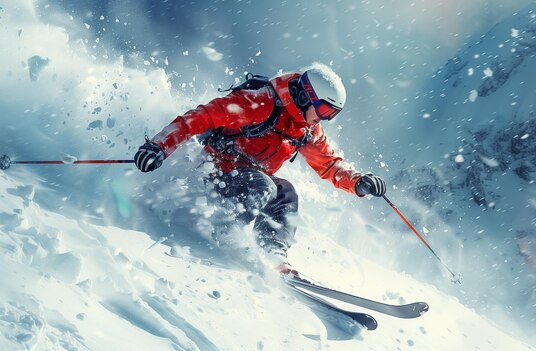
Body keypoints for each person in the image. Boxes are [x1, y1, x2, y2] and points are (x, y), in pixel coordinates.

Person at [134, 63, 386, 271]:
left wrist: (357, 181)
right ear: (304, 95)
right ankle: (221, 231)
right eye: (323, 109)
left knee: (286, 192)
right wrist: (159, 147)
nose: (324, 117)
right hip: (215, 171)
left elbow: (329, 165)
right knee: (263, 186)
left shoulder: (306, 129)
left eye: (332, 113)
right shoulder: (259, 103)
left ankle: (275, 251)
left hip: (250, 178)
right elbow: (201, 117)